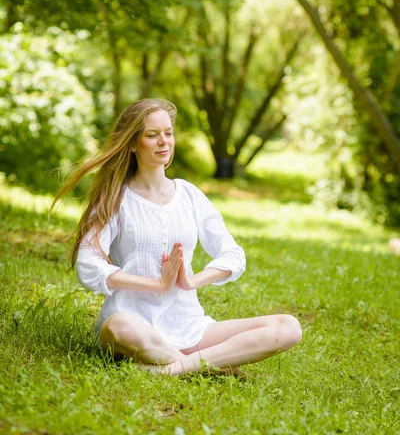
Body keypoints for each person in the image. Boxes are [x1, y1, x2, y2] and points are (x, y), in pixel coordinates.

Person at [52, 98, 302, 376]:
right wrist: (157, 284)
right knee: (117, 326)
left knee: (288, 327)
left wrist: (192, 280)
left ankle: (171, 368)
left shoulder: (189, 195)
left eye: (168, 133)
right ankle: (212, 366)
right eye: (152, 135)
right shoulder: (115, 198)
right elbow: (89, 263)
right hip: (134, 324)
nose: (164, 141)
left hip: (191, 327)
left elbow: (233, 254)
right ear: (133, 143)